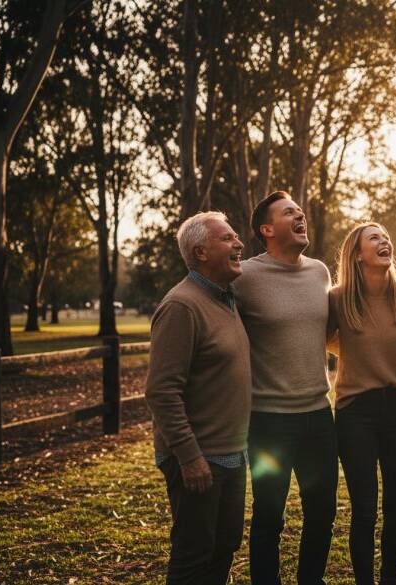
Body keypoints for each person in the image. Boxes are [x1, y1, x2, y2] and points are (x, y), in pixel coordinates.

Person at [231, 192, 337, 585]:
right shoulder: (244, 277)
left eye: (299, 210)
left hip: (318, 416)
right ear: (267, 229)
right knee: (269, 516)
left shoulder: (320, 273)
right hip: (268, 421)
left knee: (322, 513)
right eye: (289, 212)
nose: (300, 214)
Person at [145, 211, 251, 585]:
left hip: (232, 453)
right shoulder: (182, 306)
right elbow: (161, 391)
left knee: (224, 548)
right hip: (199, 458)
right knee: (193, 557)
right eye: (227, 238)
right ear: (201, 252)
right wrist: (190, 457)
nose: (239, 243)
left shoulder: (227, 299)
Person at [327, 222, 396, 585]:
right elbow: (321, 338)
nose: (384, 240)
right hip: (354, 413)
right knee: (364, 511)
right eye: (374, 238)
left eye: (386, 236)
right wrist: (355, 351)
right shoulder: (337, 299)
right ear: (357, 255)